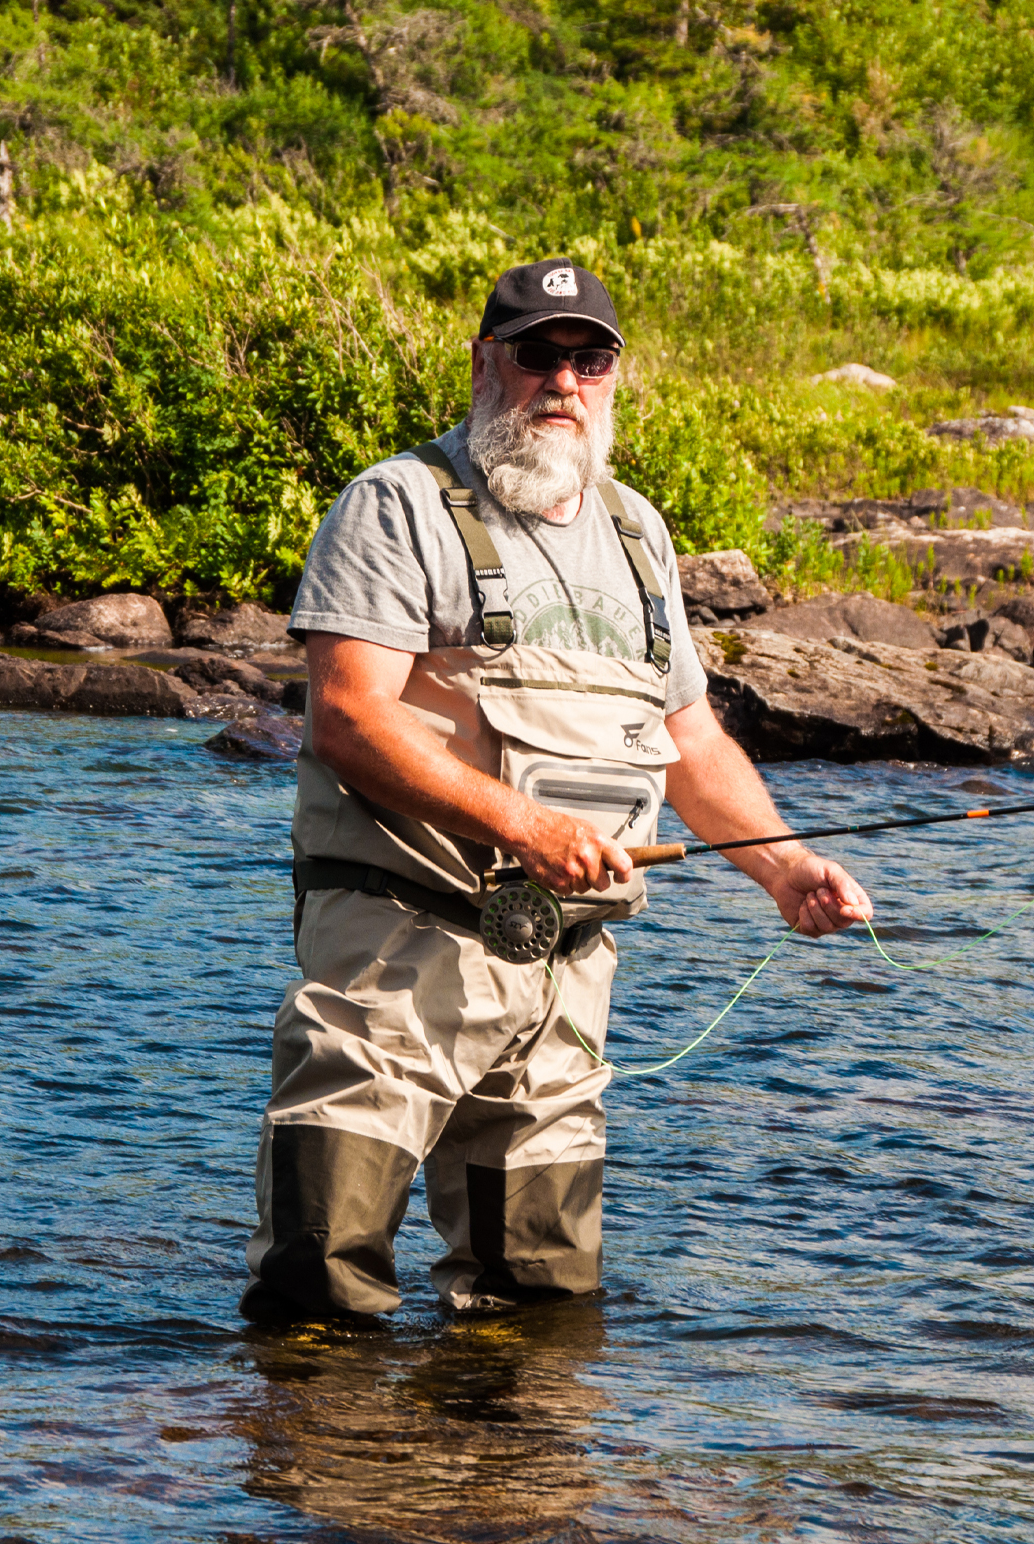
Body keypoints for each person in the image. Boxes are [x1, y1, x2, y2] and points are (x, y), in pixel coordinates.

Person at [242, 256, 872, 1324]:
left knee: (538, 1310)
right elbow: (347, 717)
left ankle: (513, 1494)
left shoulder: (638, 533)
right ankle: (317, 1487)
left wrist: (785, 865)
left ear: (616, 376)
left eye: (589, 359)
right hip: (396, 958)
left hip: (566, 983)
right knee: (323, 1287)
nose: (563, 383)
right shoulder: (396, 505)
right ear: (488, 362)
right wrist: (522, 824)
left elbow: (689, 740)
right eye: (538, 355)